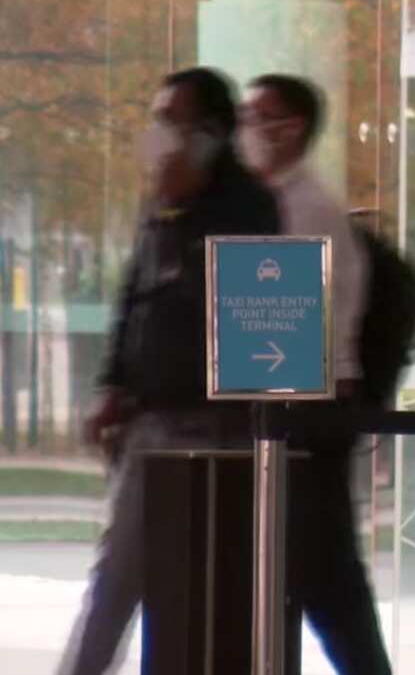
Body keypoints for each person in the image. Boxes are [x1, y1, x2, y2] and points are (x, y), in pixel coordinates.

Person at [60, 68, 280, 675]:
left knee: (158, 588)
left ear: (210, 133)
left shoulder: (247, 210)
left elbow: (234, 325)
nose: (157, 135)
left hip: (212, 432)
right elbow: (133, 300)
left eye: (171, 120)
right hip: (148, 428)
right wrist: (112, 384)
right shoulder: (161, 202)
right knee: (117, 581)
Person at [238, 74, 392, 675]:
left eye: (258, 114)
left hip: (309, 419)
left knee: (326, 584)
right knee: (316, 584)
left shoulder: (308, 210)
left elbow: (291, 331)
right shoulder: (268, 203)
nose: (246, 126)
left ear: (291, 127)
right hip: (294, 417)